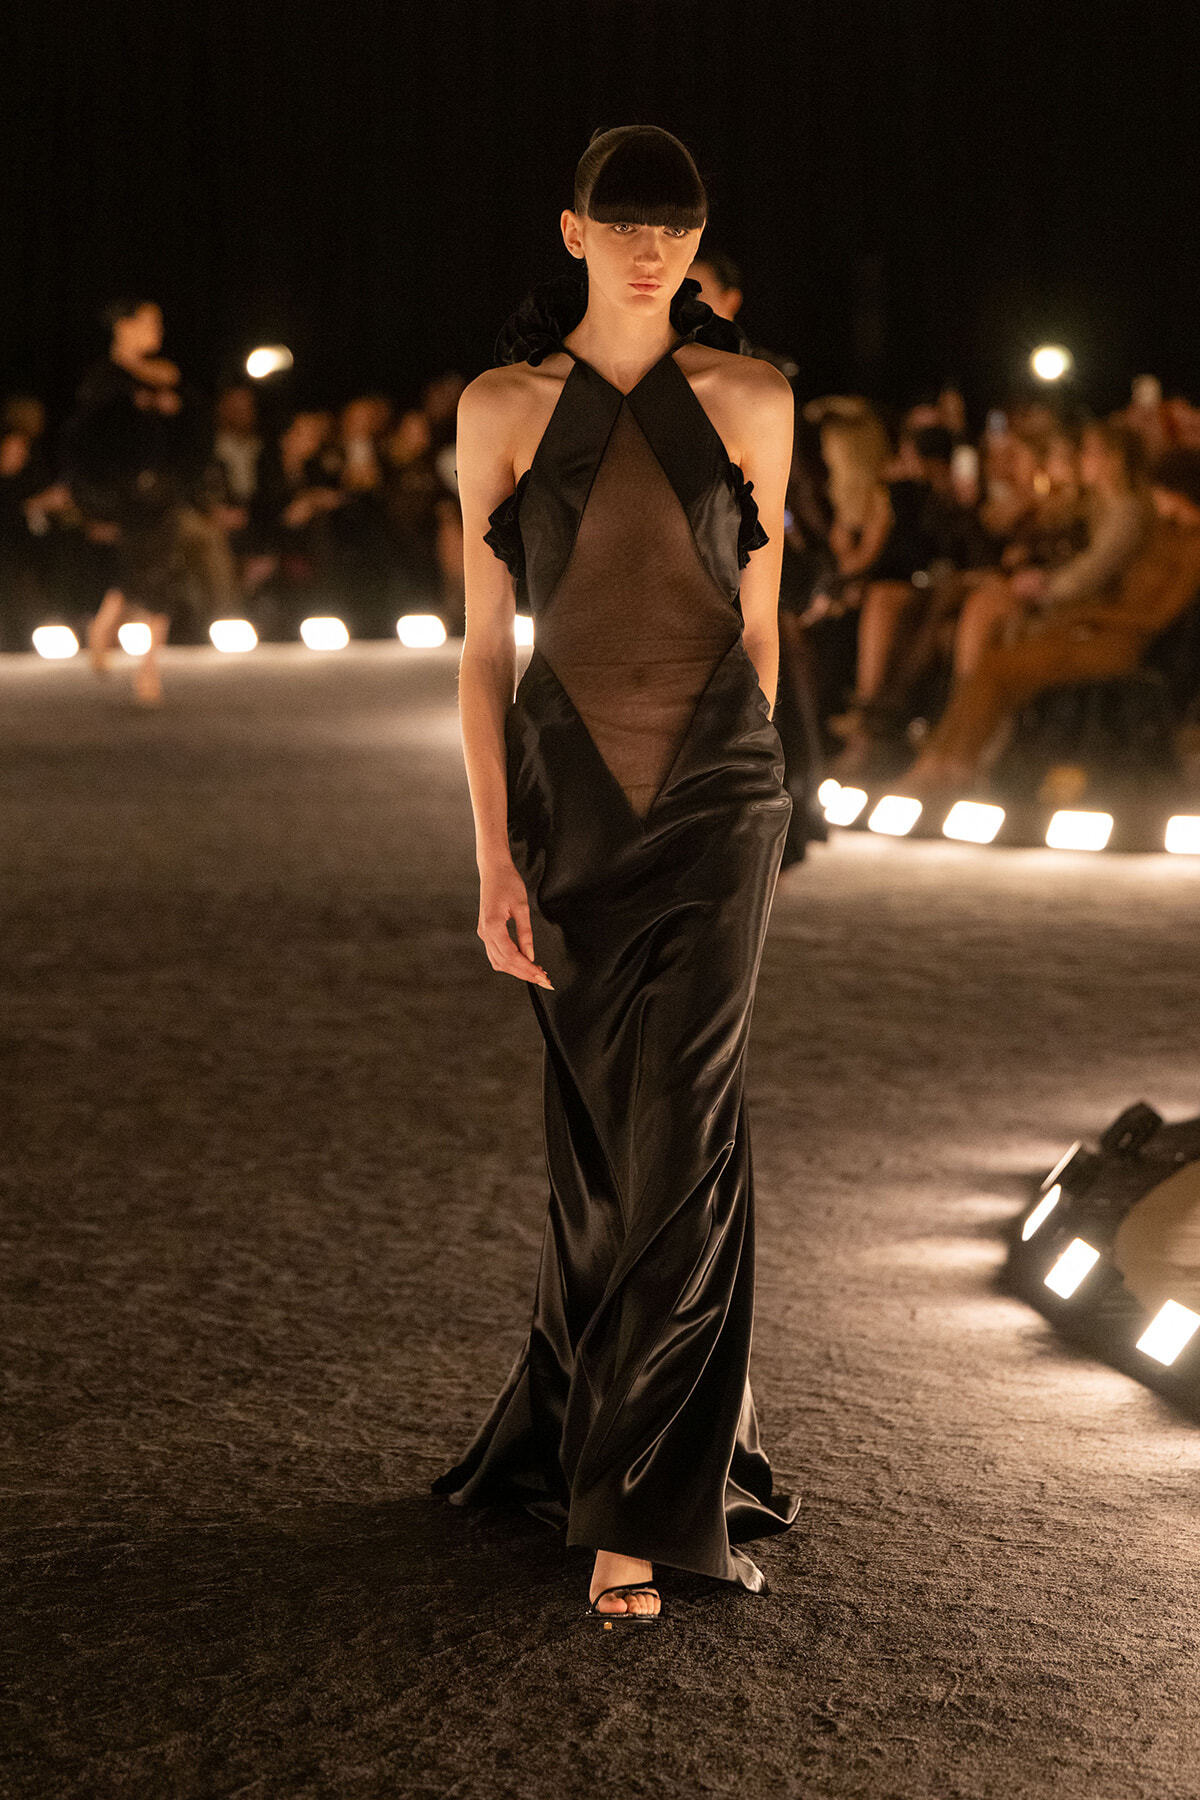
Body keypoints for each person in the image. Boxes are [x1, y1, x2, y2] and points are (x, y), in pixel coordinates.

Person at [435, 125, 799, 1623]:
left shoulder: (757, 398)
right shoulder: (500, 408)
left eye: (677, 224)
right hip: (568, 798)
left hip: (720, 792)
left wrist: (758, 783)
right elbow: (479, 649)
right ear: (573, 231)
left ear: (697, 240)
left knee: (685, 1121)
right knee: (601, 1140)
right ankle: (676, 1426)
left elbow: (765, 621)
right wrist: (491, 858)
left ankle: (639, 1509)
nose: (651, 247)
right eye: (623, 222)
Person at [902, 448, 1200, 790]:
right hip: (1100, 631)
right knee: (996, 662)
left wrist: (1088, 614)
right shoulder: (1164, 534)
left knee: (1001, 669)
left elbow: (1157, 618)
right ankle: (945, 757)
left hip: (1123, 645)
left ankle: (952, 763)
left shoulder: (1193, 548)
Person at [63, 298, 230, 704]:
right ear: (124, 326)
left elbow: (193, 429)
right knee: (143, 571)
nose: (157, 330)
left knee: (160, 574)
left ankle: (145, 664)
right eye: (148, 322)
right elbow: (86, 444)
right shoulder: (105, 381)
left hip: (164, 492)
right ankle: (111, 635)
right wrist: (92, 501)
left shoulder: (168, 379)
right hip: (124, 494)